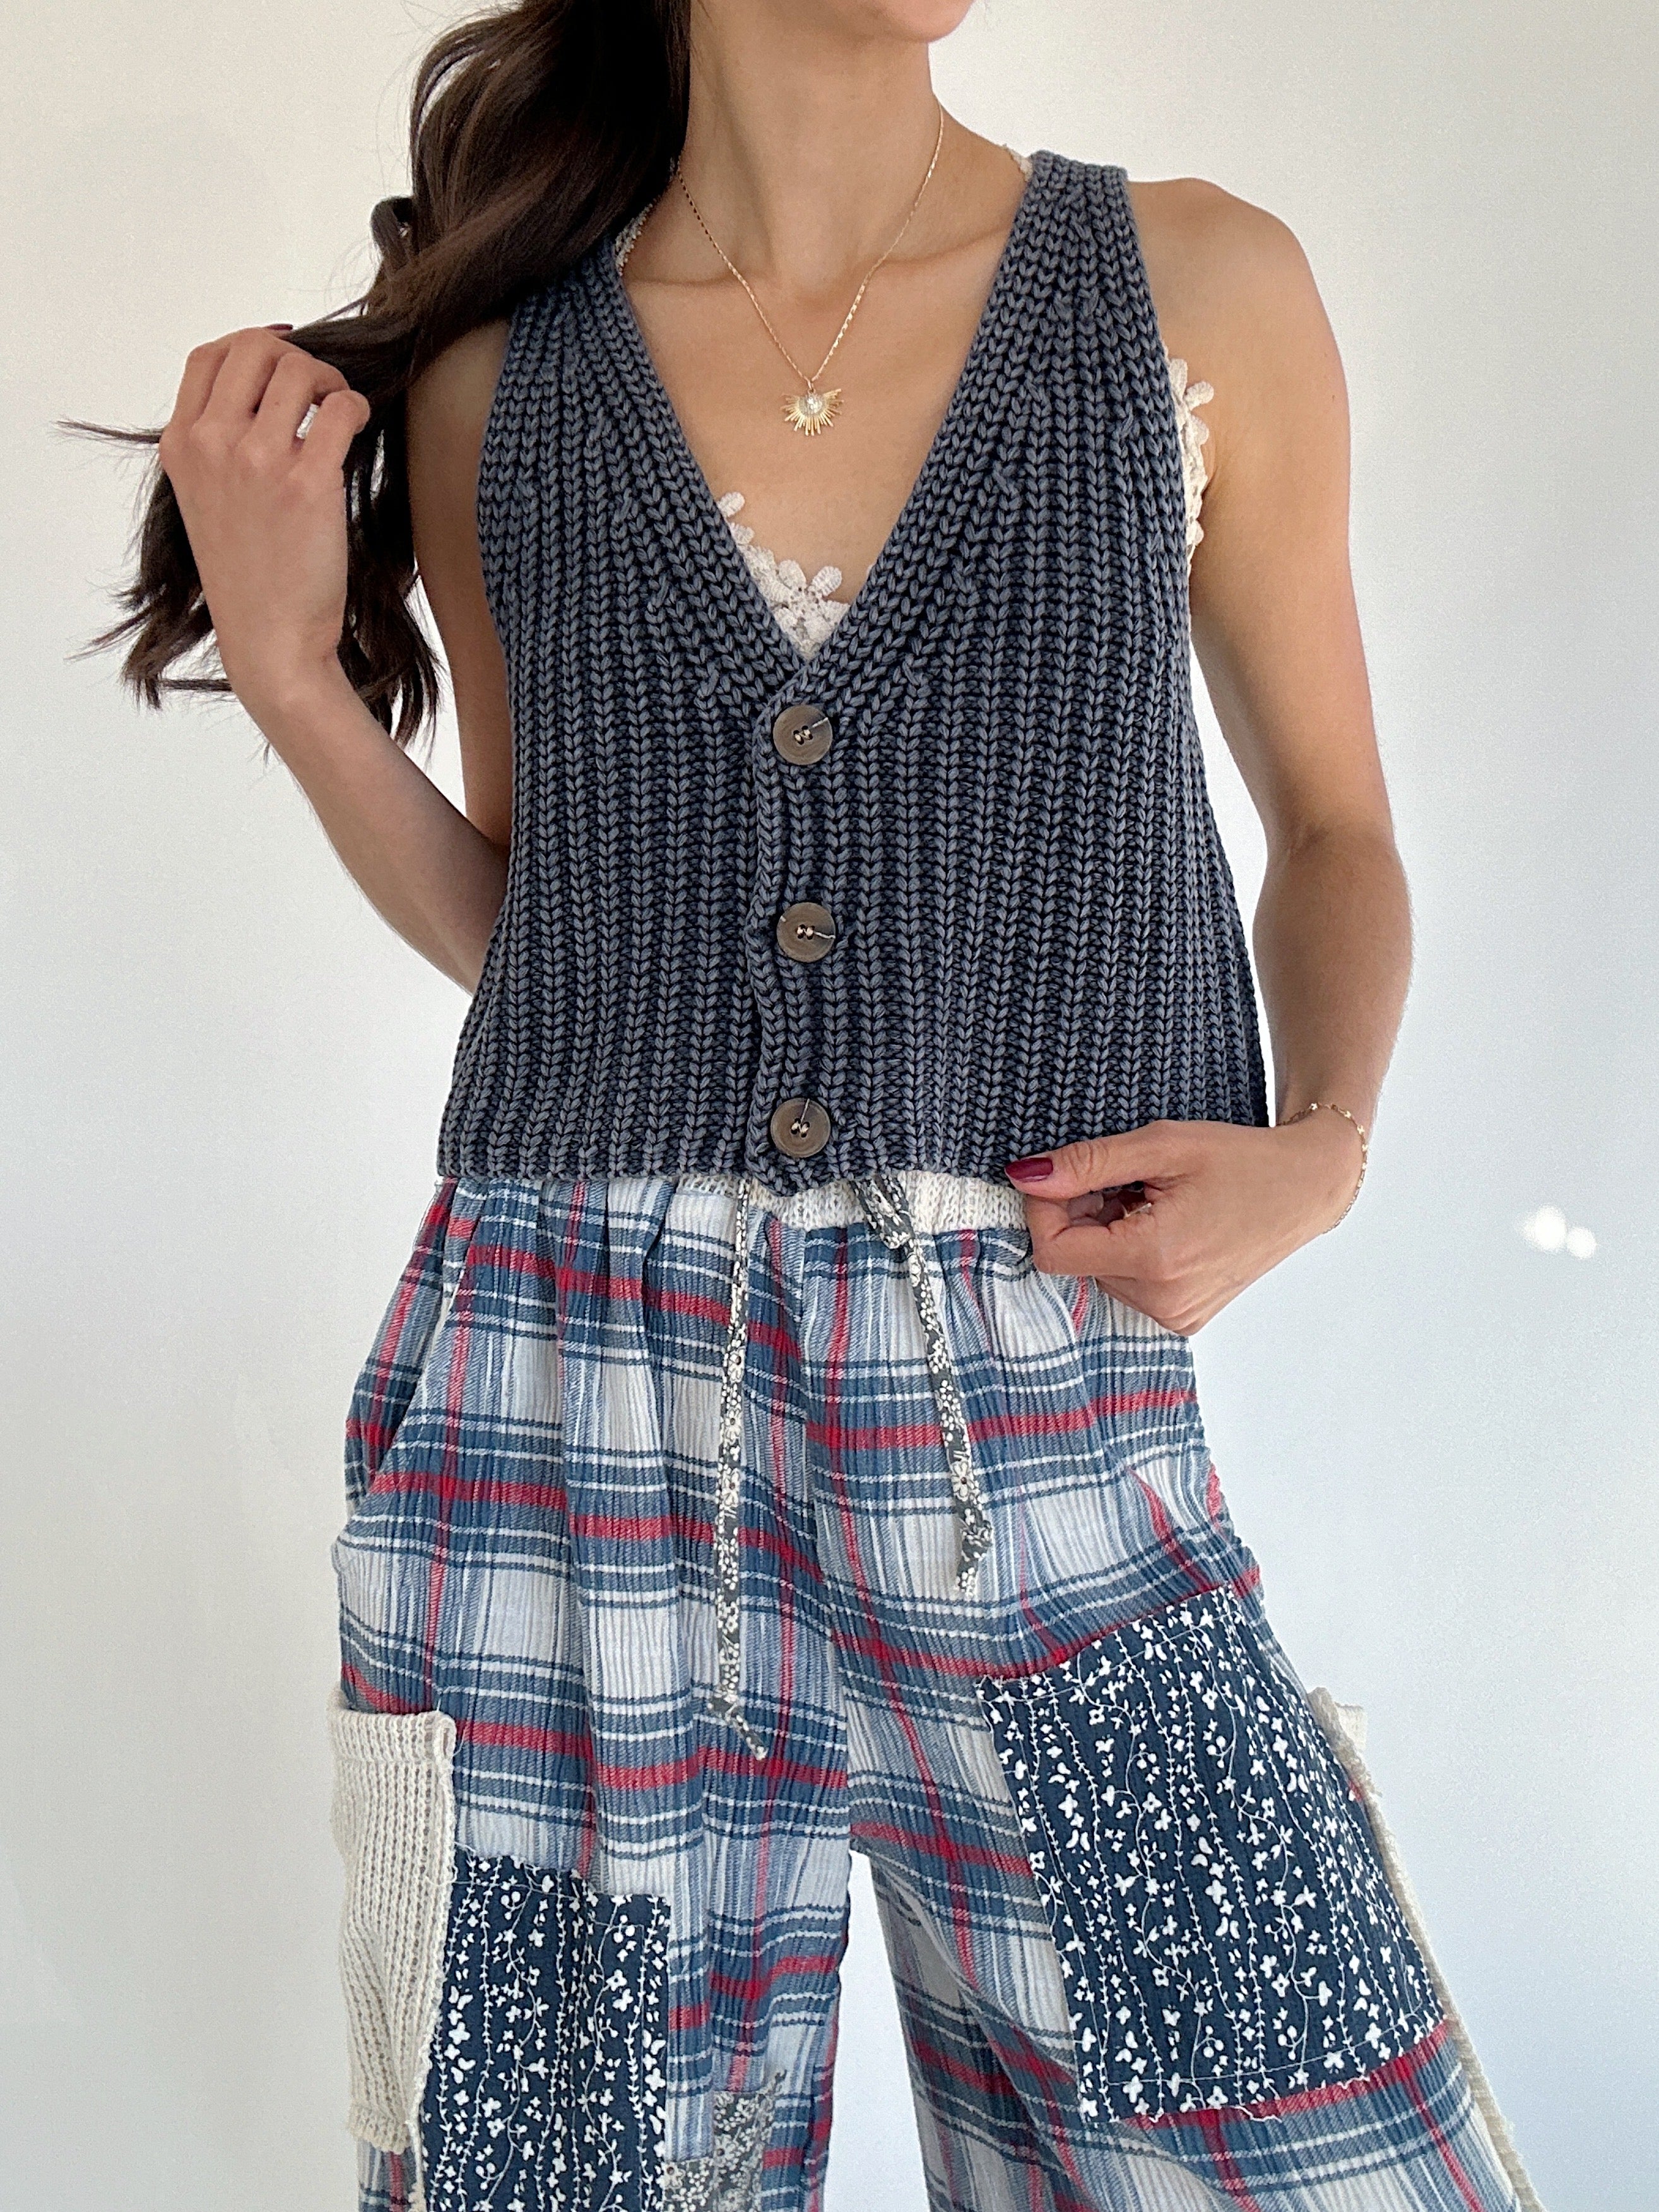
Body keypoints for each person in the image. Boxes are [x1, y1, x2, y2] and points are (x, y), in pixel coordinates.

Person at [95, 1, 1544, 2207]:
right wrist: (296, 678)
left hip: (1040, 1404)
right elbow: (567, 935)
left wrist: (1321, 1147)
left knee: (1277, 2142)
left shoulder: (1194, 284)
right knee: (563, 2176)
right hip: (568, 1410)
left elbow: (1336, 828)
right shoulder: (514, 386)